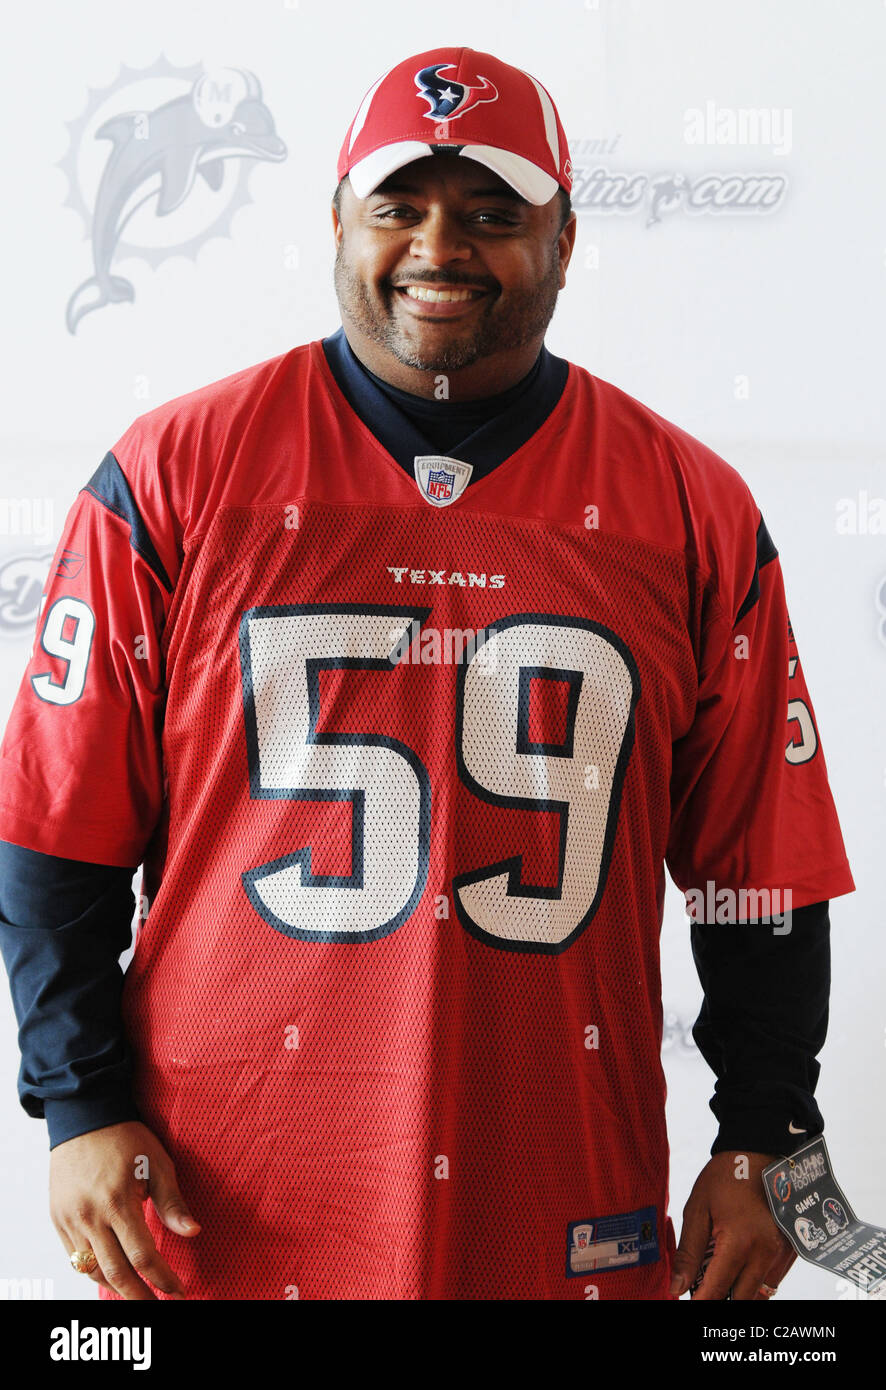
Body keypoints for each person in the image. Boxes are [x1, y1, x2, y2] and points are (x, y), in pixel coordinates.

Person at [0, 46, 854, 1302]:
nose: (438, 247)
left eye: (493, 212)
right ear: (337, 219)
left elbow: (756, 871)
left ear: (566, 238)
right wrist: (75, 1104)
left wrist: (766, 1134)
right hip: (226, 1181)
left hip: (559, 1179)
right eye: (399, 204)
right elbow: (58, 828)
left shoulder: (688, 508)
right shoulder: (176, 472)